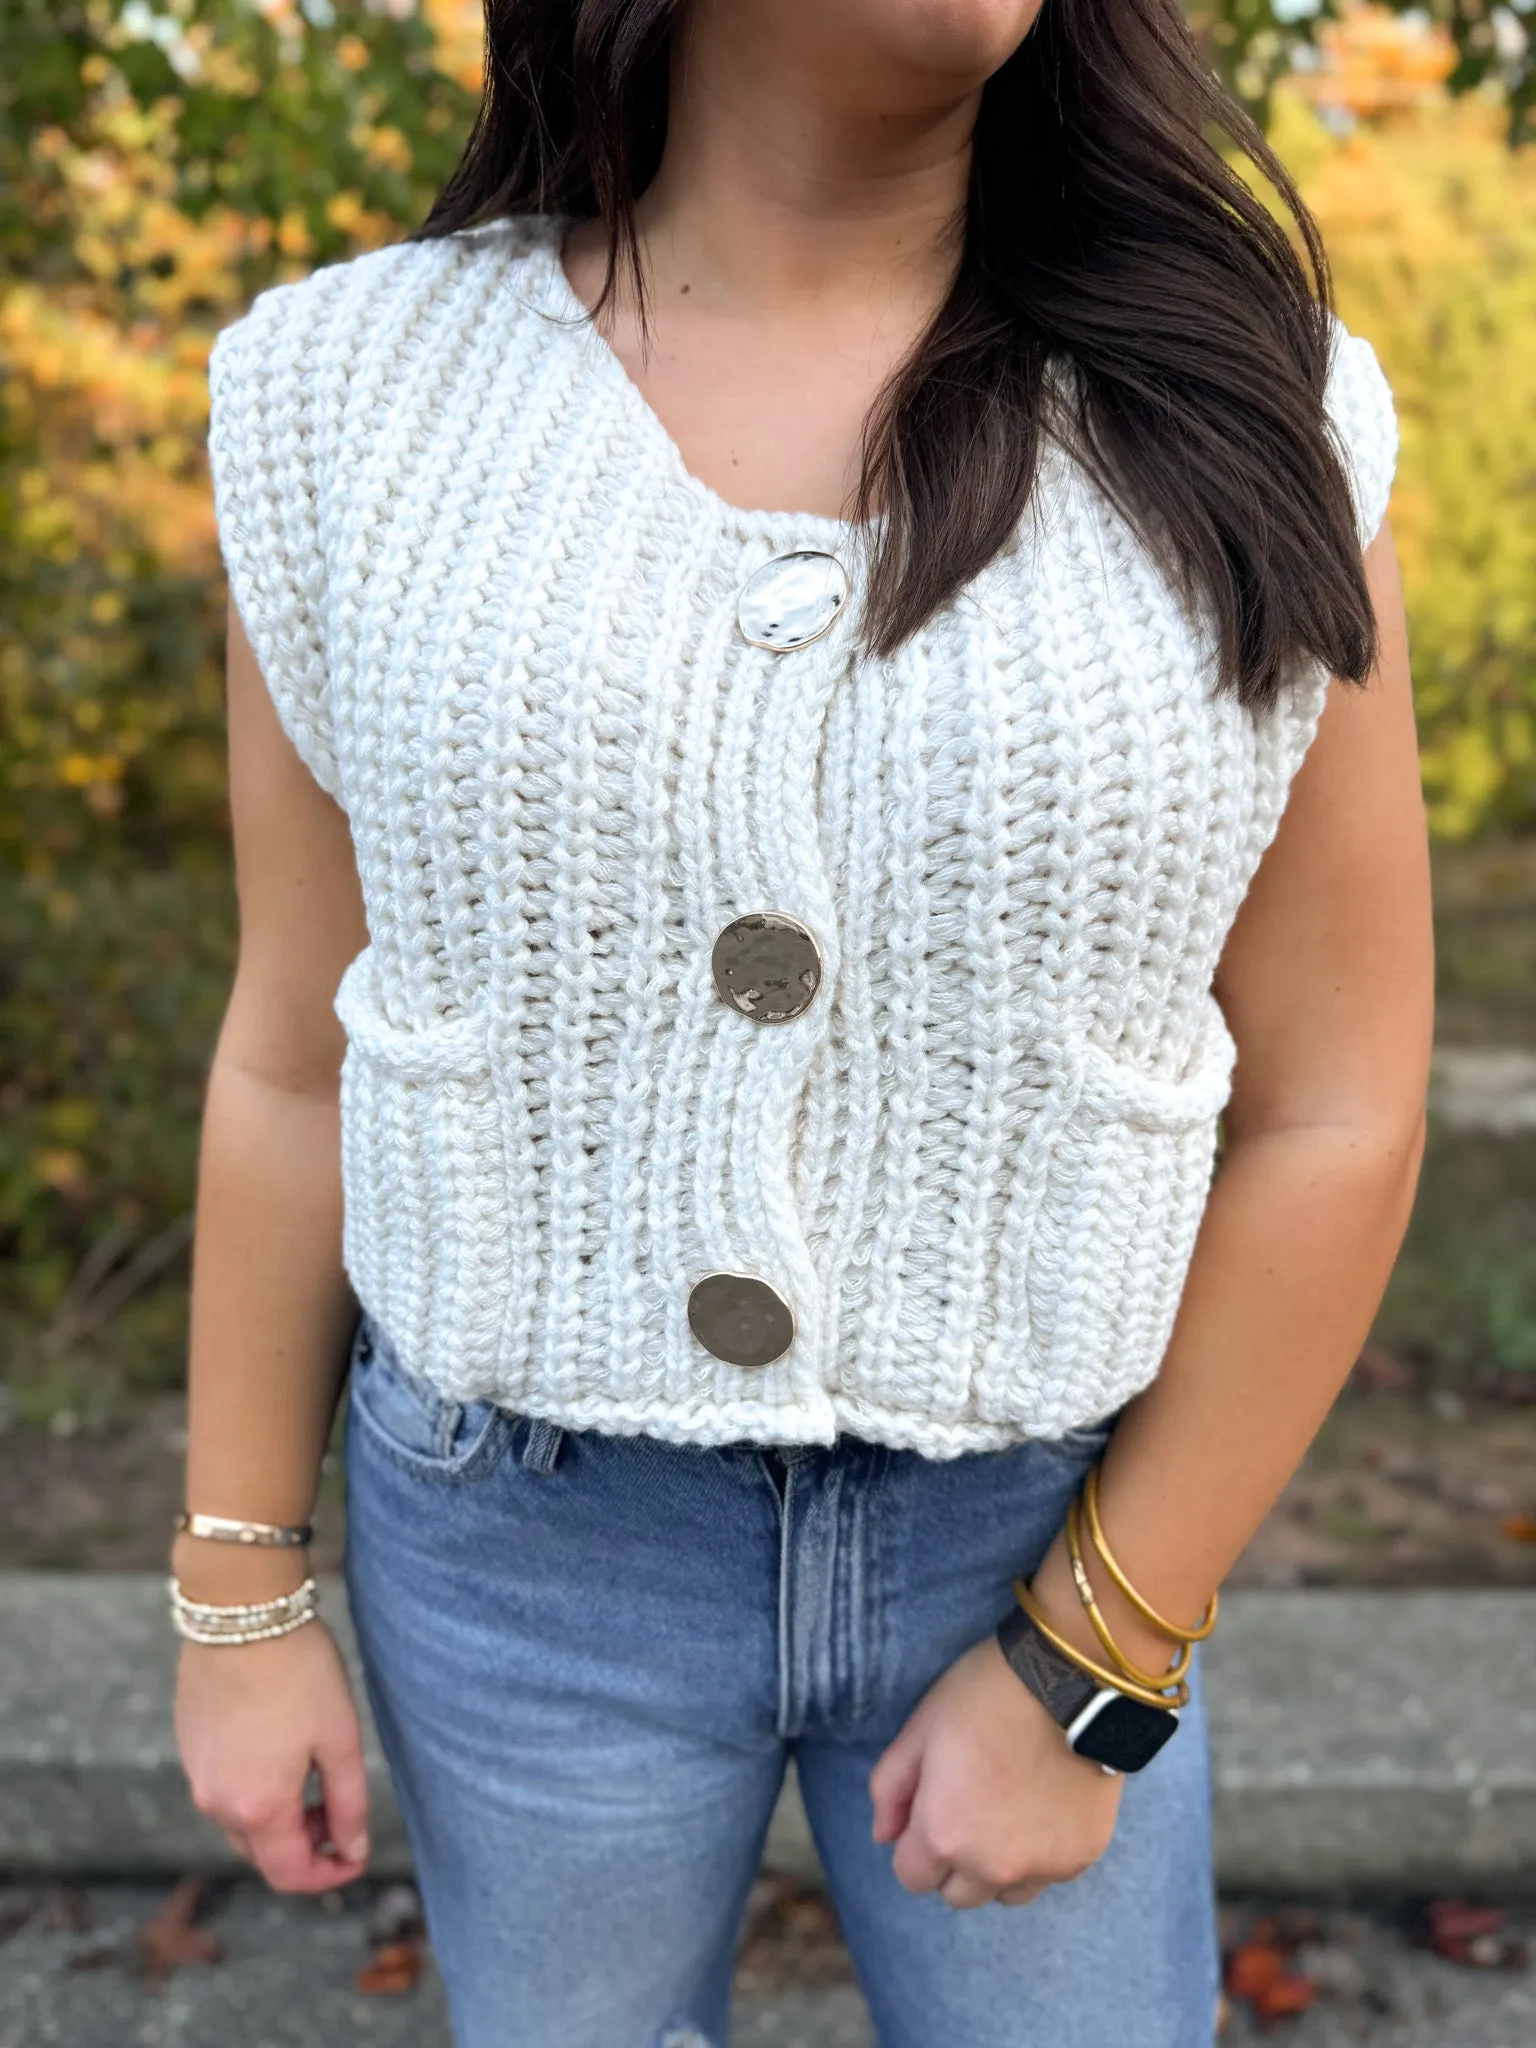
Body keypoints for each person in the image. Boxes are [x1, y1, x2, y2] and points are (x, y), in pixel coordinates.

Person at [172, 1, 1433, 2042]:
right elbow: (298, 1048)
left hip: (1047, 1526)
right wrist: (240, 1584)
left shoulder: (1251, 405)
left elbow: (1342, 1100)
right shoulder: (349, 402)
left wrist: (1090, 1653)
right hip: (515, 1548)